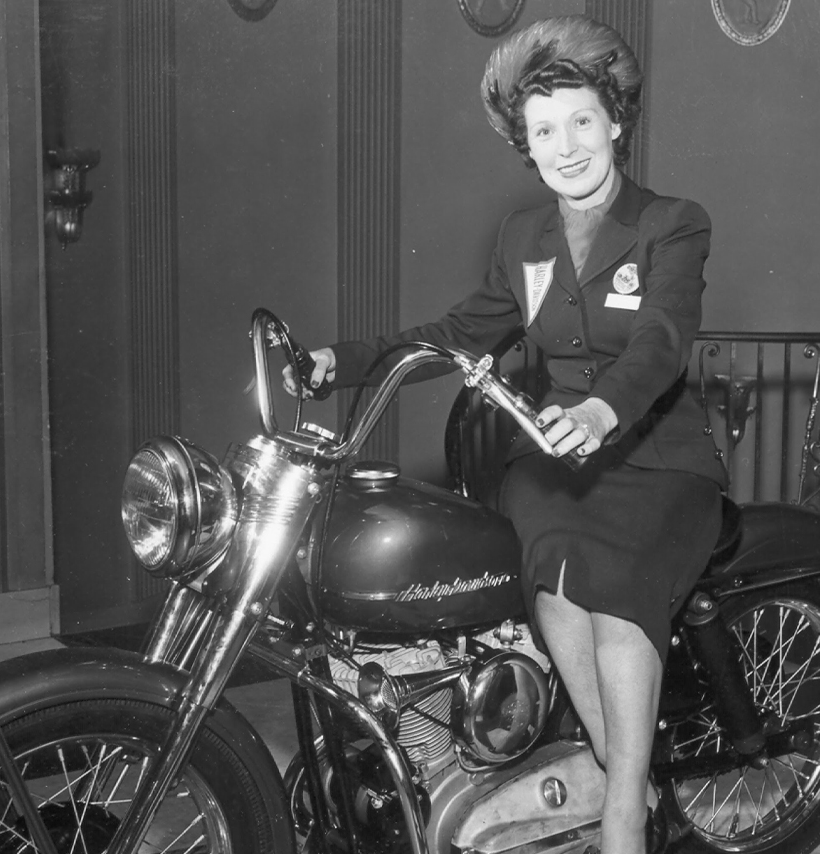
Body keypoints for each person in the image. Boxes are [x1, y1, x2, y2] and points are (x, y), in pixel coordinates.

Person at [285, 16, 725, 854]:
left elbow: (662, 339)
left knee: (618, 587)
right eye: (544, 129)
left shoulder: (672, 221)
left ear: (617, 123)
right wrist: (335, 361)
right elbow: (454, 333)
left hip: (655, 455)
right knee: (554, 583)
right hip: (555, 461)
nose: (566, 145)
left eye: (581, 121)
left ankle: (627, 810)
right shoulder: (523, 236)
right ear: (527, 144)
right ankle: (618, 763)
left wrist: (602, 411)